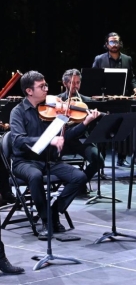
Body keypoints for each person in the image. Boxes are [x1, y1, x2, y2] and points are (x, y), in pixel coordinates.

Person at [9, 70, 101, 240]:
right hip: (25, 162)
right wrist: (49, 140)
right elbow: (18, 140)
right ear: (29, 91)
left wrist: (85, 123)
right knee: (35, 176)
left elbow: (66, 136)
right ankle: (45, 221)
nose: (46, 89)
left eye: (46, 85)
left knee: (79, 177)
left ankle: (52, 212)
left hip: (49, 160)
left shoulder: (51, 108)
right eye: (41, 86)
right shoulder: (18, 112)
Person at [92, 31, 136, 167]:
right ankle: (100, 159)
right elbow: (93, 79)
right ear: (106, 44)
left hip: (122, 99)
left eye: (117, 41)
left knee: (123, 128)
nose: (114, 44)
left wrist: (135, 87)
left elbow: (131, 77)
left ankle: (122, 157)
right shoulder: (99, 59)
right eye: (112, 42)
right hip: (104, 101)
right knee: (103, 128)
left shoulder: (127, 59)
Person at [57, 68, 106, 195]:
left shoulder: (86, 101)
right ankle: (72, 181)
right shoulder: (58, 101)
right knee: (50, 158)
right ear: (65, 83)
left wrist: (94, 118)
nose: (76, 86)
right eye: (73, 83)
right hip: (63, 139)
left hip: (81, 139)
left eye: (78, 83)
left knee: (98, 160)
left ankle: (79, 182)